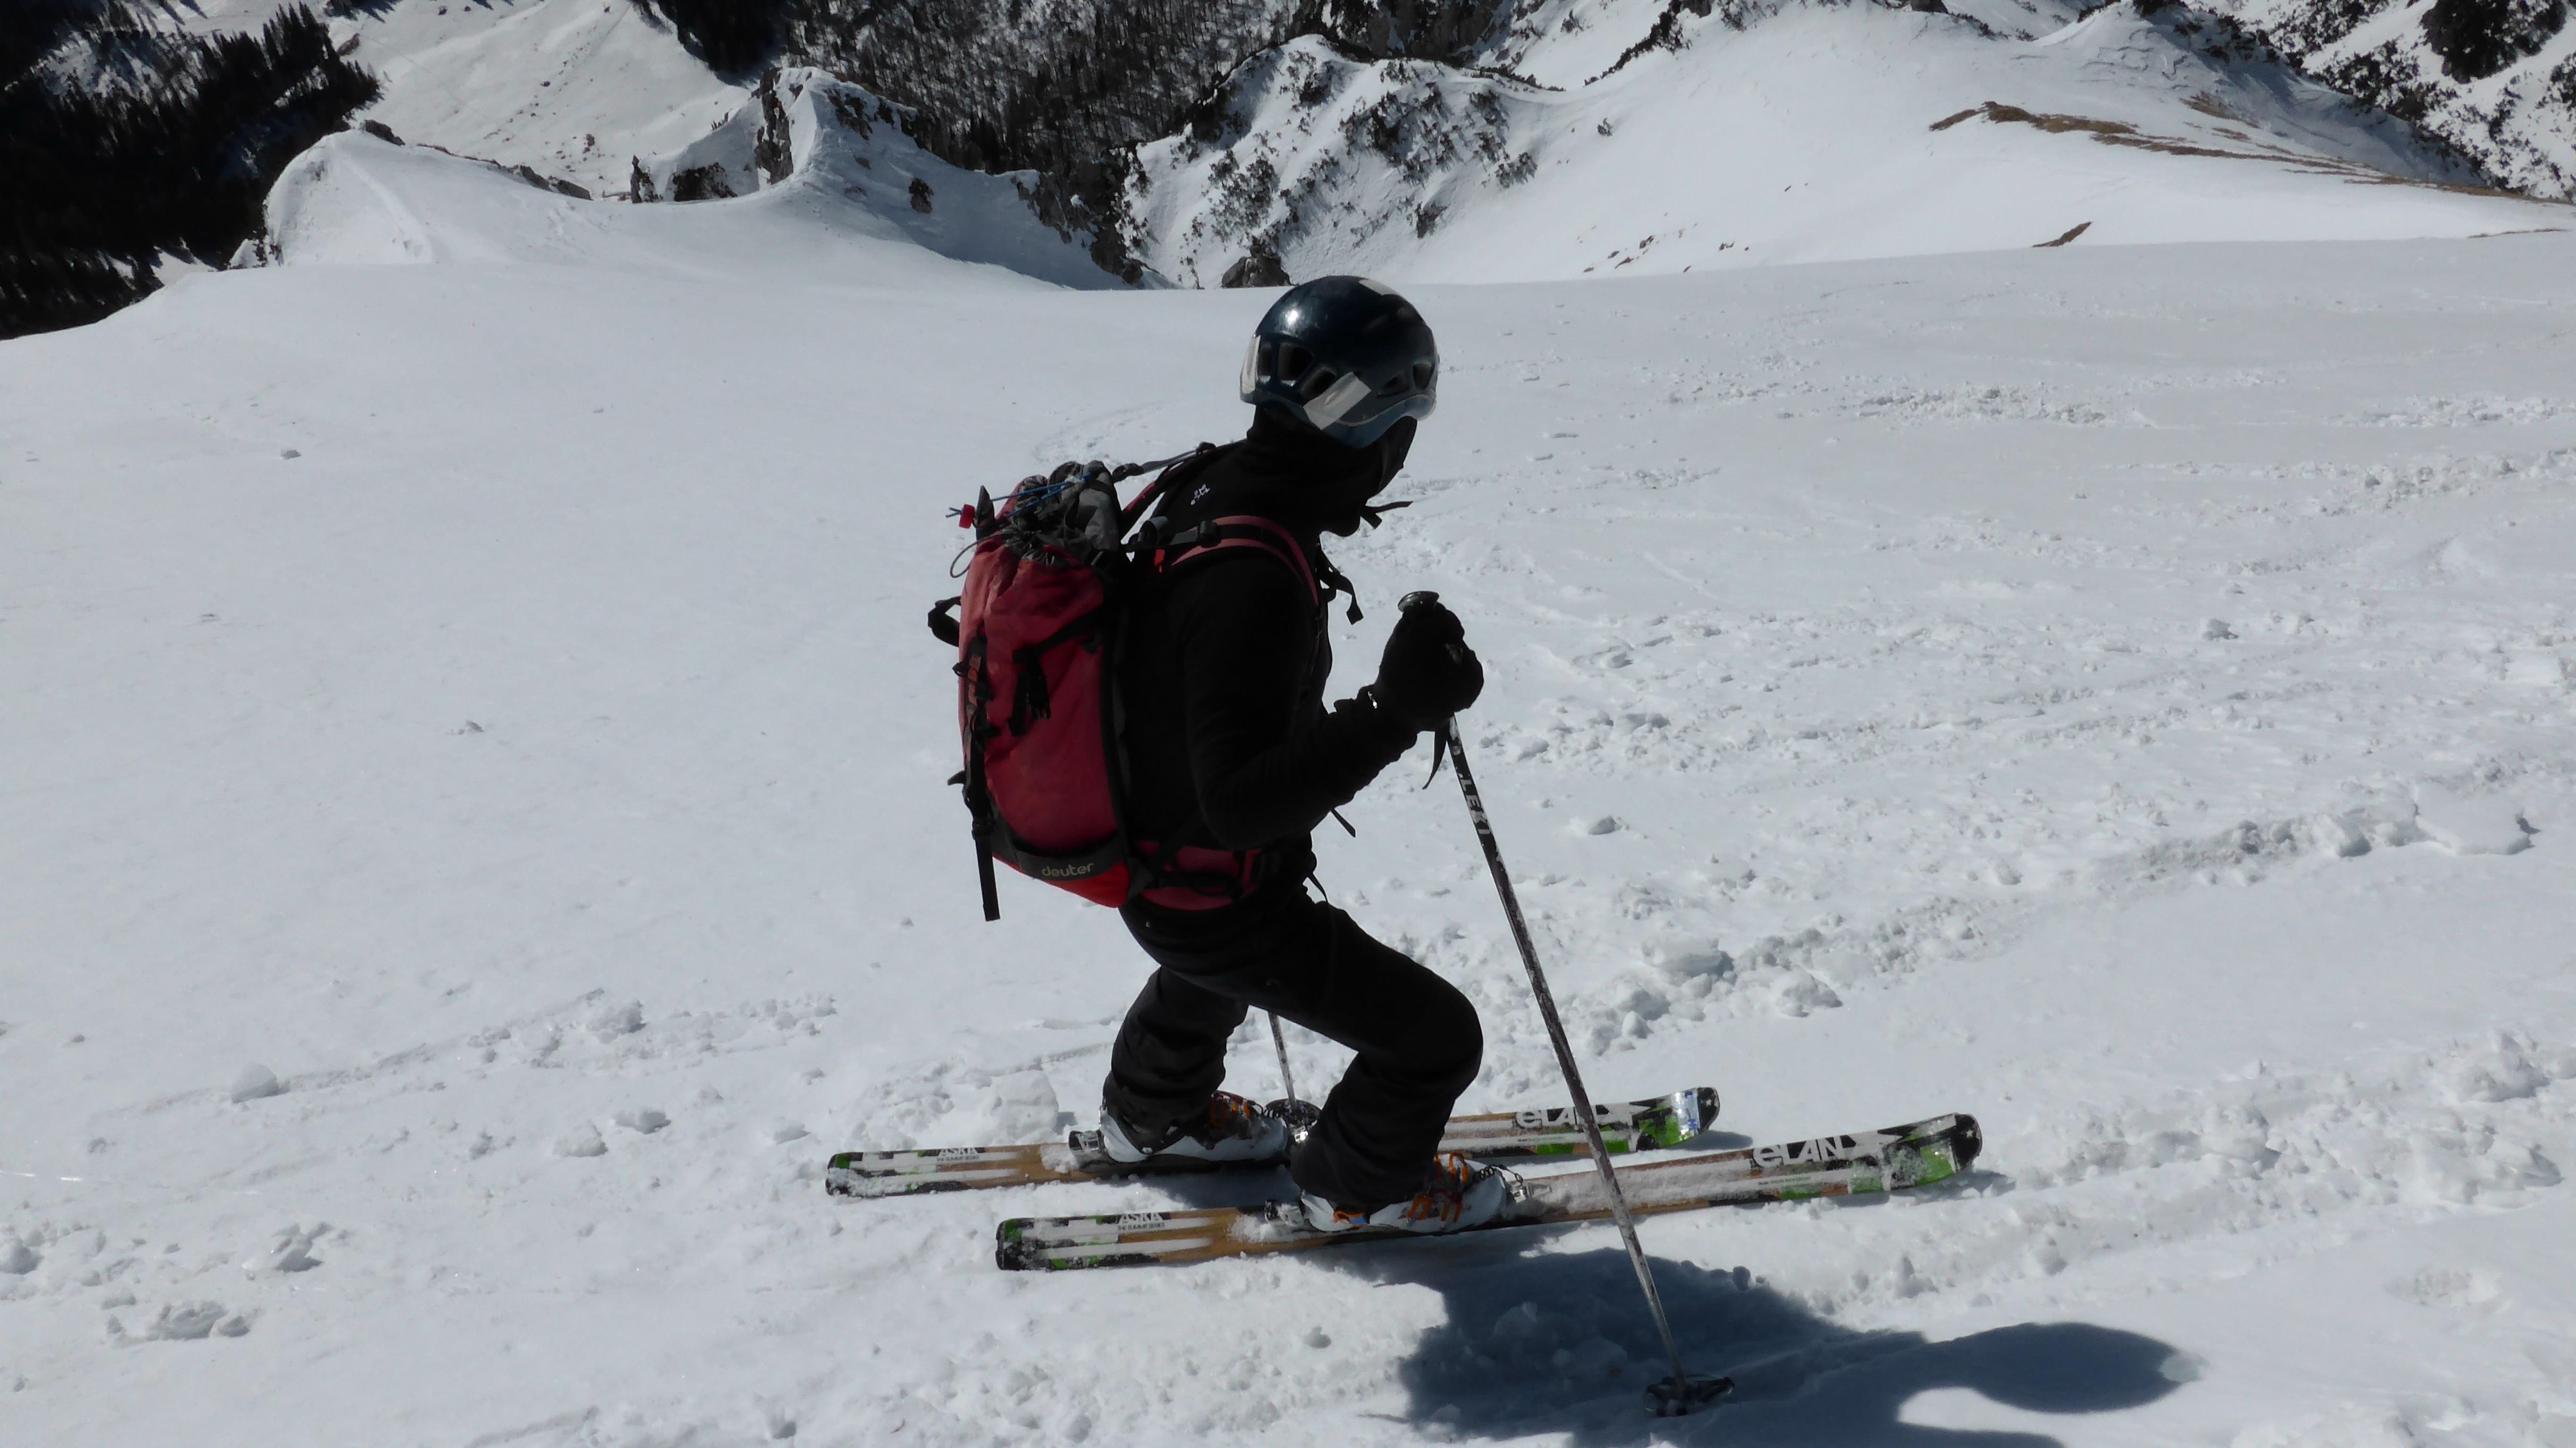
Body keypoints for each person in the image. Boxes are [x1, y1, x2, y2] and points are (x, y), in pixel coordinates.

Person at [1093, 275, 1505, 1234]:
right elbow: (1240, 807)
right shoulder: (1252, 574)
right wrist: (1393, 712)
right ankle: (1358, 1190)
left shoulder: (1212, 486)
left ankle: (1151, 1117)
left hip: (1159, 867)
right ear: (1379, 433)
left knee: (1212, 955)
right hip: (1209, 893)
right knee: (1436, 1039)